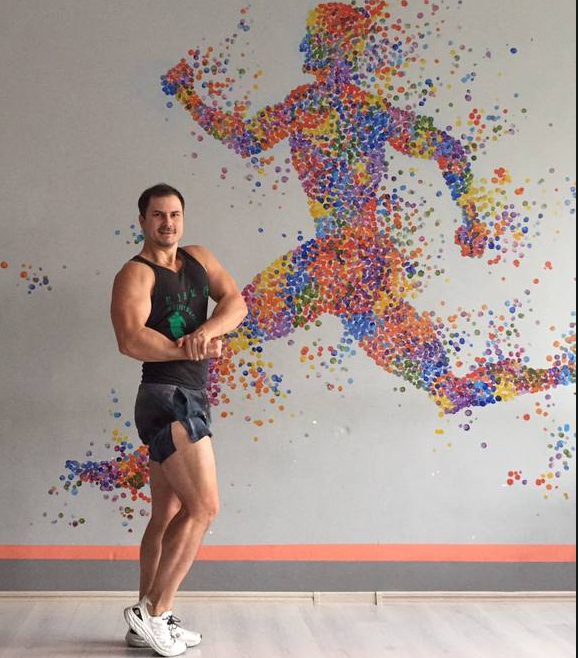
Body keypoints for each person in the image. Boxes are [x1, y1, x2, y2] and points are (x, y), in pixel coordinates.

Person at [164, 1, 575, 414]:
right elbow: (448, 149)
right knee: (446, 389)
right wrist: (471, 219)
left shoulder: (308, 107)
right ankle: (560, 374)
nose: (310, 46)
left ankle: (172, 439)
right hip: (368, 268)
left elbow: (245, 139)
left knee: (220, 338)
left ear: (324, 47)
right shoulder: (370, 112)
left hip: (335, 262)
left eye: (318, 38)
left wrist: (187, 95)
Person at [111, 183, 248, 657]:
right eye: (157, 215)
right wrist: (187, 348)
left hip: (187, 394)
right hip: (168, 397)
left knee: (167, 514)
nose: (167, 223)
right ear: (143, 221)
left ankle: (144, 623)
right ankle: (153, 612)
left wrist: (205, 331)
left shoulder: (198, 259)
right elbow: (129, 339)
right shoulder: (135, 273)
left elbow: (235, 302)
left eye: (174, 215)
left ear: (182, 218)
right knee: (204, 508)